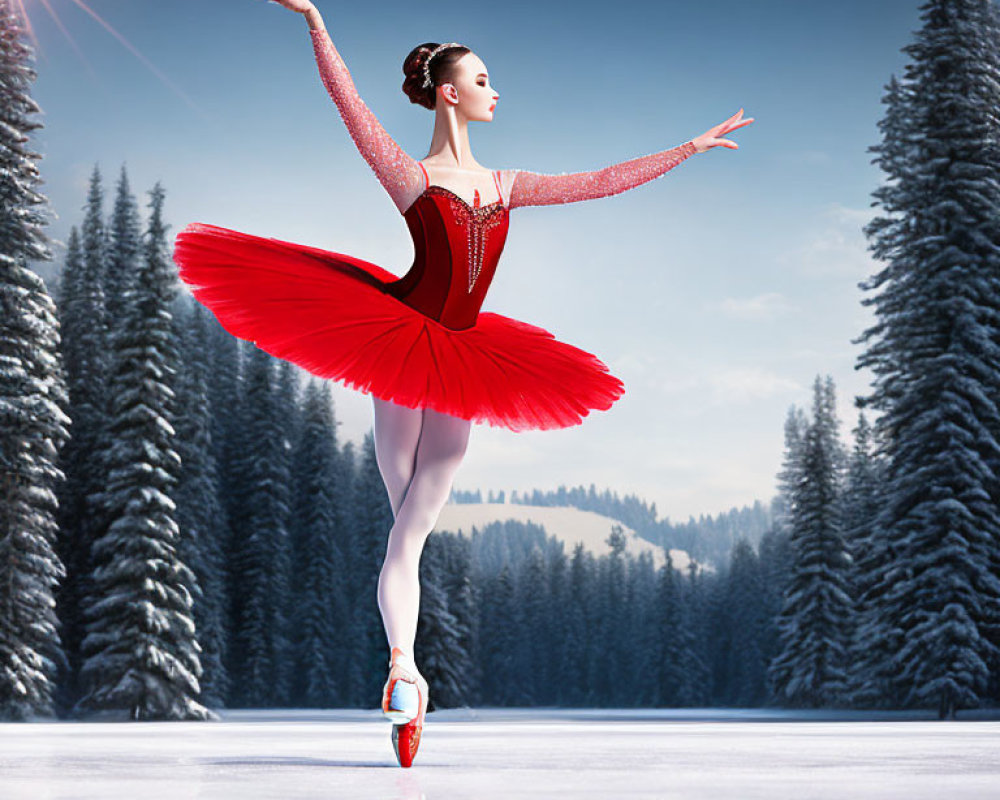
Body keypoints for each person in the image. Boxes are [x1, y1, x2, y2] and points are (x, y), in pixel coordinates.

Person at [172, 0, 753, 767]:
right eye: (483, 79)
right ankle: (406, 675)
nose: (495, 91)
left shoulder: (506, 183)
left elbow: (602, 180)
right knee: (407, 530)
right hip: (398, 340)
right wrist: (315, 21)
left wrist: (686, 147)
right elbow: (347, 102)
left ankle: (404, 674)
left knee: (407, 529)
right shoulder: (411, 176)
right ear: (449, 93)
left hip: (465, 353)